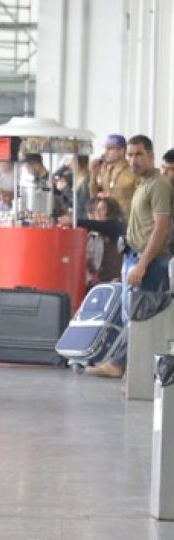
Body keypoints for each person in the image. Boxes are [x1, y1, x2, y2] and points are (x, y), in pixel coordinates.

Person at [92, 135, 174, 379]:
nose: (133, 160)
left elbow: (161, 227)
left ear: (150, 155)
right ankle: (127, 370)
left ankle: (120, 365)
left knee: (140, 319)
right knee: (131, 317)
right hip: (134, 256)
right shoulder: (142, 183)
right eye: (130, 155)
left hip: (150, 262)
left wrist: (142, 264)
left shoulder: (159, 185)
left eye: (138, 154)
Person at [91, 134, 137, 217]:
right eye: (105, 149)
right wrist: (94, 175)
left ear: (121, 151)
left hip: (126, 219)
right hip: (107, 218)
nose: (105, 152)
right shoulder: (105, 170)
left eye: (110, 149)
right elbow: (93, 196)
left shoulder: (133, 171)